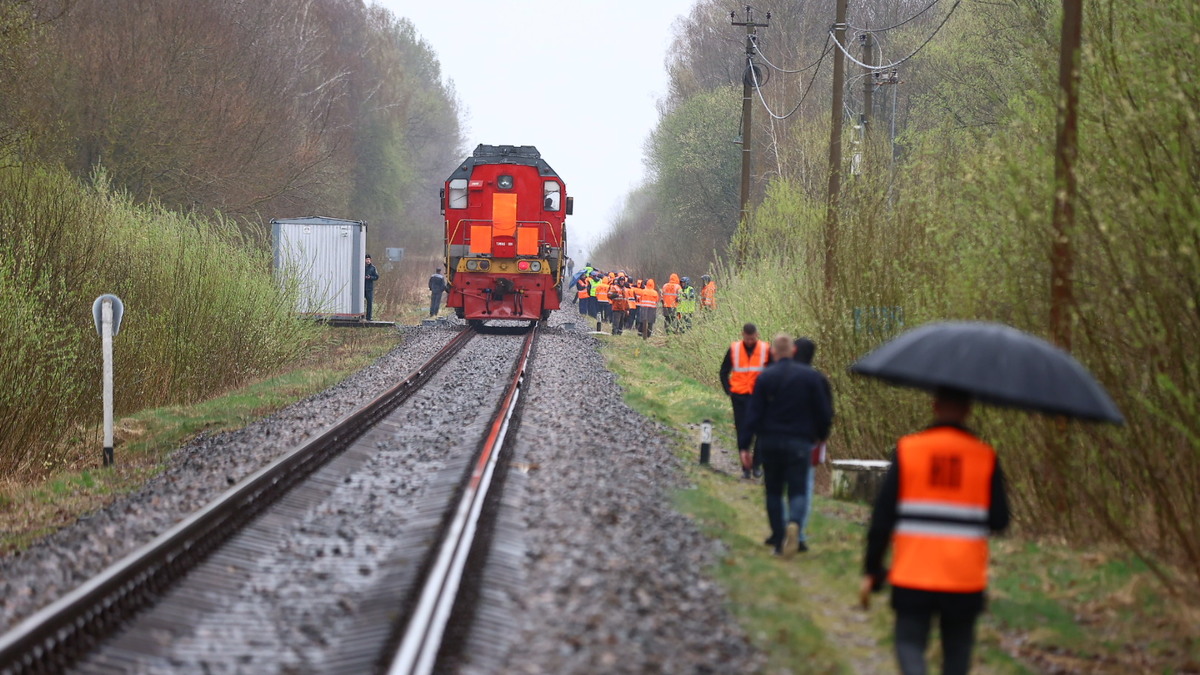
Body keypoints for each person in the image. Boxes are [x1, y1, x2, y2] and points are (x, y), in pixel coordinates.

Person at [861, 388, 1011, 675]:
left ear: (934, 406)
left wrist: (872, 568)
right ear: (968, 410)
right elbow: (1000, 520)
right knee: (958, 650)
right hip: (964, 577)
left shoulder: (908, 450)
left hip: (913, 572)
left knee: (908, 642)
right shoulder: (985, 457)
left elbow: (882, 518)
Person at [740, 334, 833, 558]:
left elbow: (753, 414)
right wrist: (820, 436)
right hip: (800, 442)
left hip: (770, 441)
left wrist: (745, 446)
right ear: (793, 351)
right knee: (798, 489)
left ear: (773, 352)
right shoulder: (812, 378)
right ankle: (795, 524)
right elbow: (825, 413)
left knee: (773, 491)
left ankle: (779, 540)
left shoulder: (765, 377)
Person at [793, 337, 833, 550]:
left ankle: (782, 528)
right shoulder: (818, 380)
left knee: (781, 486)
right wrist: (822, 435)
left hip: (781, 438)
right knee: (804, 488)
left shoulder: (777, 374)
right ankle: (798, 533)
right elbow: (826, 414)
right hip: (807, 441)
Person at [719, 323, 772, 478]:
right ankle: (745, 468)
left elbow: (773, 372)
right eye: (747, 338)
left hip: (759, 397)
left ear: (757, 335)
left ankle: (756, 465)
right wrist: (729, 391)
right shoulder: (734, 349)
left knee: (761, 432)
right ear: (743, 335)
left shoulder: (765, 349)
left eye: (752, 338)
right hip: (740, 397)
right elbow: (723, 372)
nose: (750, 341)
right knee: (743, 432)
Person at [364, 254, 379, 321]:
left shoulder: (373, 268)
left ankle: (369, 317)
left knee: (369, 303)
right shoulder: (362, 267)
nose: (368, 260)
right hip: (362, 288)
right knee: (361, 303)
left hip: (369, 288)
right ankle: (362, 316)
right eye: (366, 259)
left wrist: (370, 277)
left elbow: (376, 277)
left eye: (369, 259)